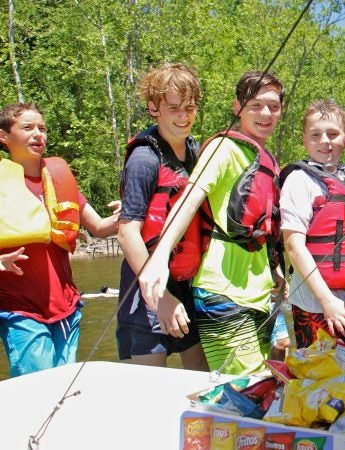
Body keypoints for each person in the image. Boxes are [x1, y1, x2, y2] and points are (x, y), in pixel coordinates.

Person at [138, 71, 286, 375]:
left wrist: (275, 269)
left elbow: (262, 226)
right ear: (237, 108)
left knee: (261, 382)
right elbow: (189, 200)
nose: (266, 114)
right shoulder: (224, 149)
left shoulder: (265, 157)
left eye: (273, 106)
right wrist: (158, 257)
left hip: (259, 291)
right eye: (256, 105)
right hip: (222, 291)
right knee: (244, 387)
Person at [0, 102, 121, 377]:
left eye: (42, 128)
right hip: (21, 311)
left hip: (66, 308)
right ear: (4, 136)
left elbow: (101, 227)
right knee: (38, 390)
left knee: (63, 391)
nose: (38, 134)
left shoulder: (59, 179)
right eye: (28, 127)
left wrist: (129, 211)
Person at [115, 63, 208, 371]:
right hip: (147, 288)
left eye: (189, 108)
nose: (183, 116)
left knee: (200, 380)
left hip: (186, 281)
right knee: (148, 388)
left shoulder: (196, 152)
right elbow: (127, 231)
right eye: (173, 108)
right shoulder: (144, 159)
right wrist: (162, 298)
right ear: (153, 108)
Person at [280, 100, 345, 349]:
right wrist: (327, 301)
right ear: (305, 140)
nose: (325, 141)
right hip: (315, 304)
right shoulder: (299, 180)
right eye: (315, 135)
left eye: (333, 134)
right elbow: (294, 246)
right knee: (318, 378)